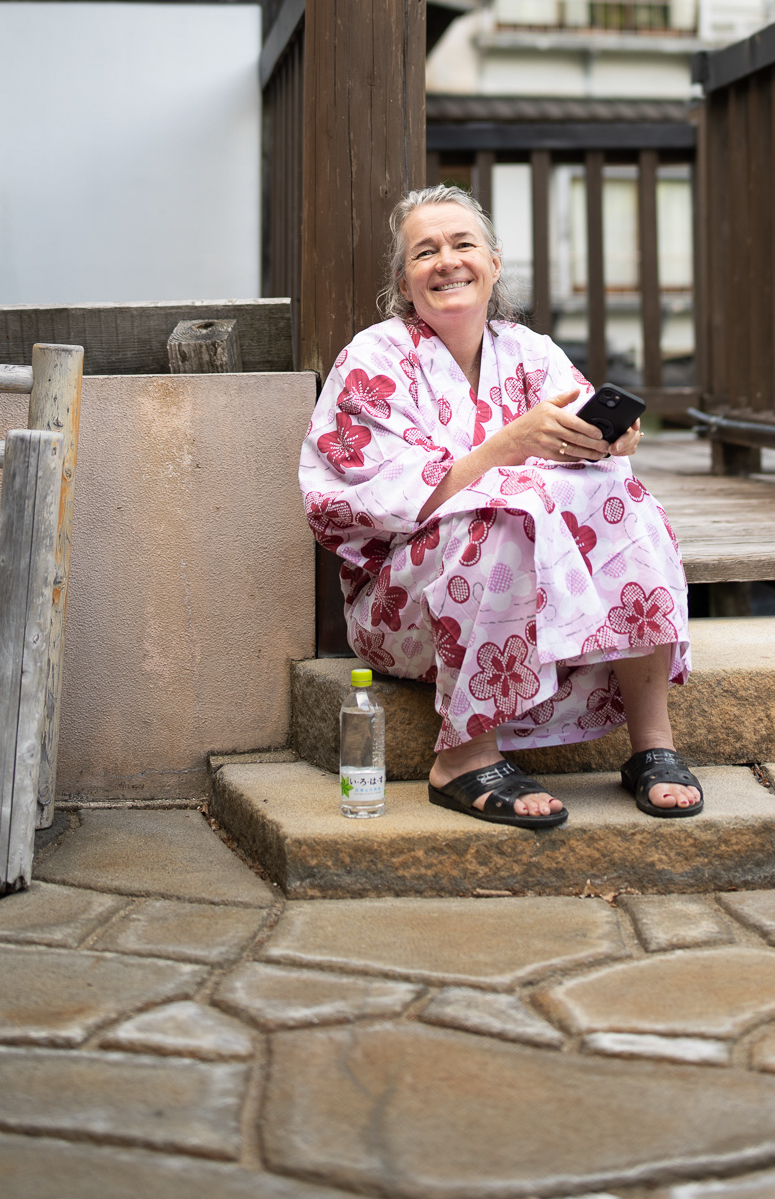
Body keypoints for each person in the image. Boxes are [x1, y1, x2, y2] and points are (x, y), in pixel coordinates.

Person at [299, 183, 701, 828]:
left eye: (464, 244)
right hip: (404, 604)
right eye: (425, 252)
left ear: (494, 264)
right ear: (404, 282)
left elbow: (583, 457)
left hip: (539, 584)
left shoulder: (531, 352)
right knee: (499, 516)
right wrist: (505, 448)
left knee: (627, 498)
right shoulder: (372, 359)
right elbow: (366, 503)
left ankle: (652, 747)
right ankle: (463, 757)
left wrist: (608, 443)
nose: (447, 260)